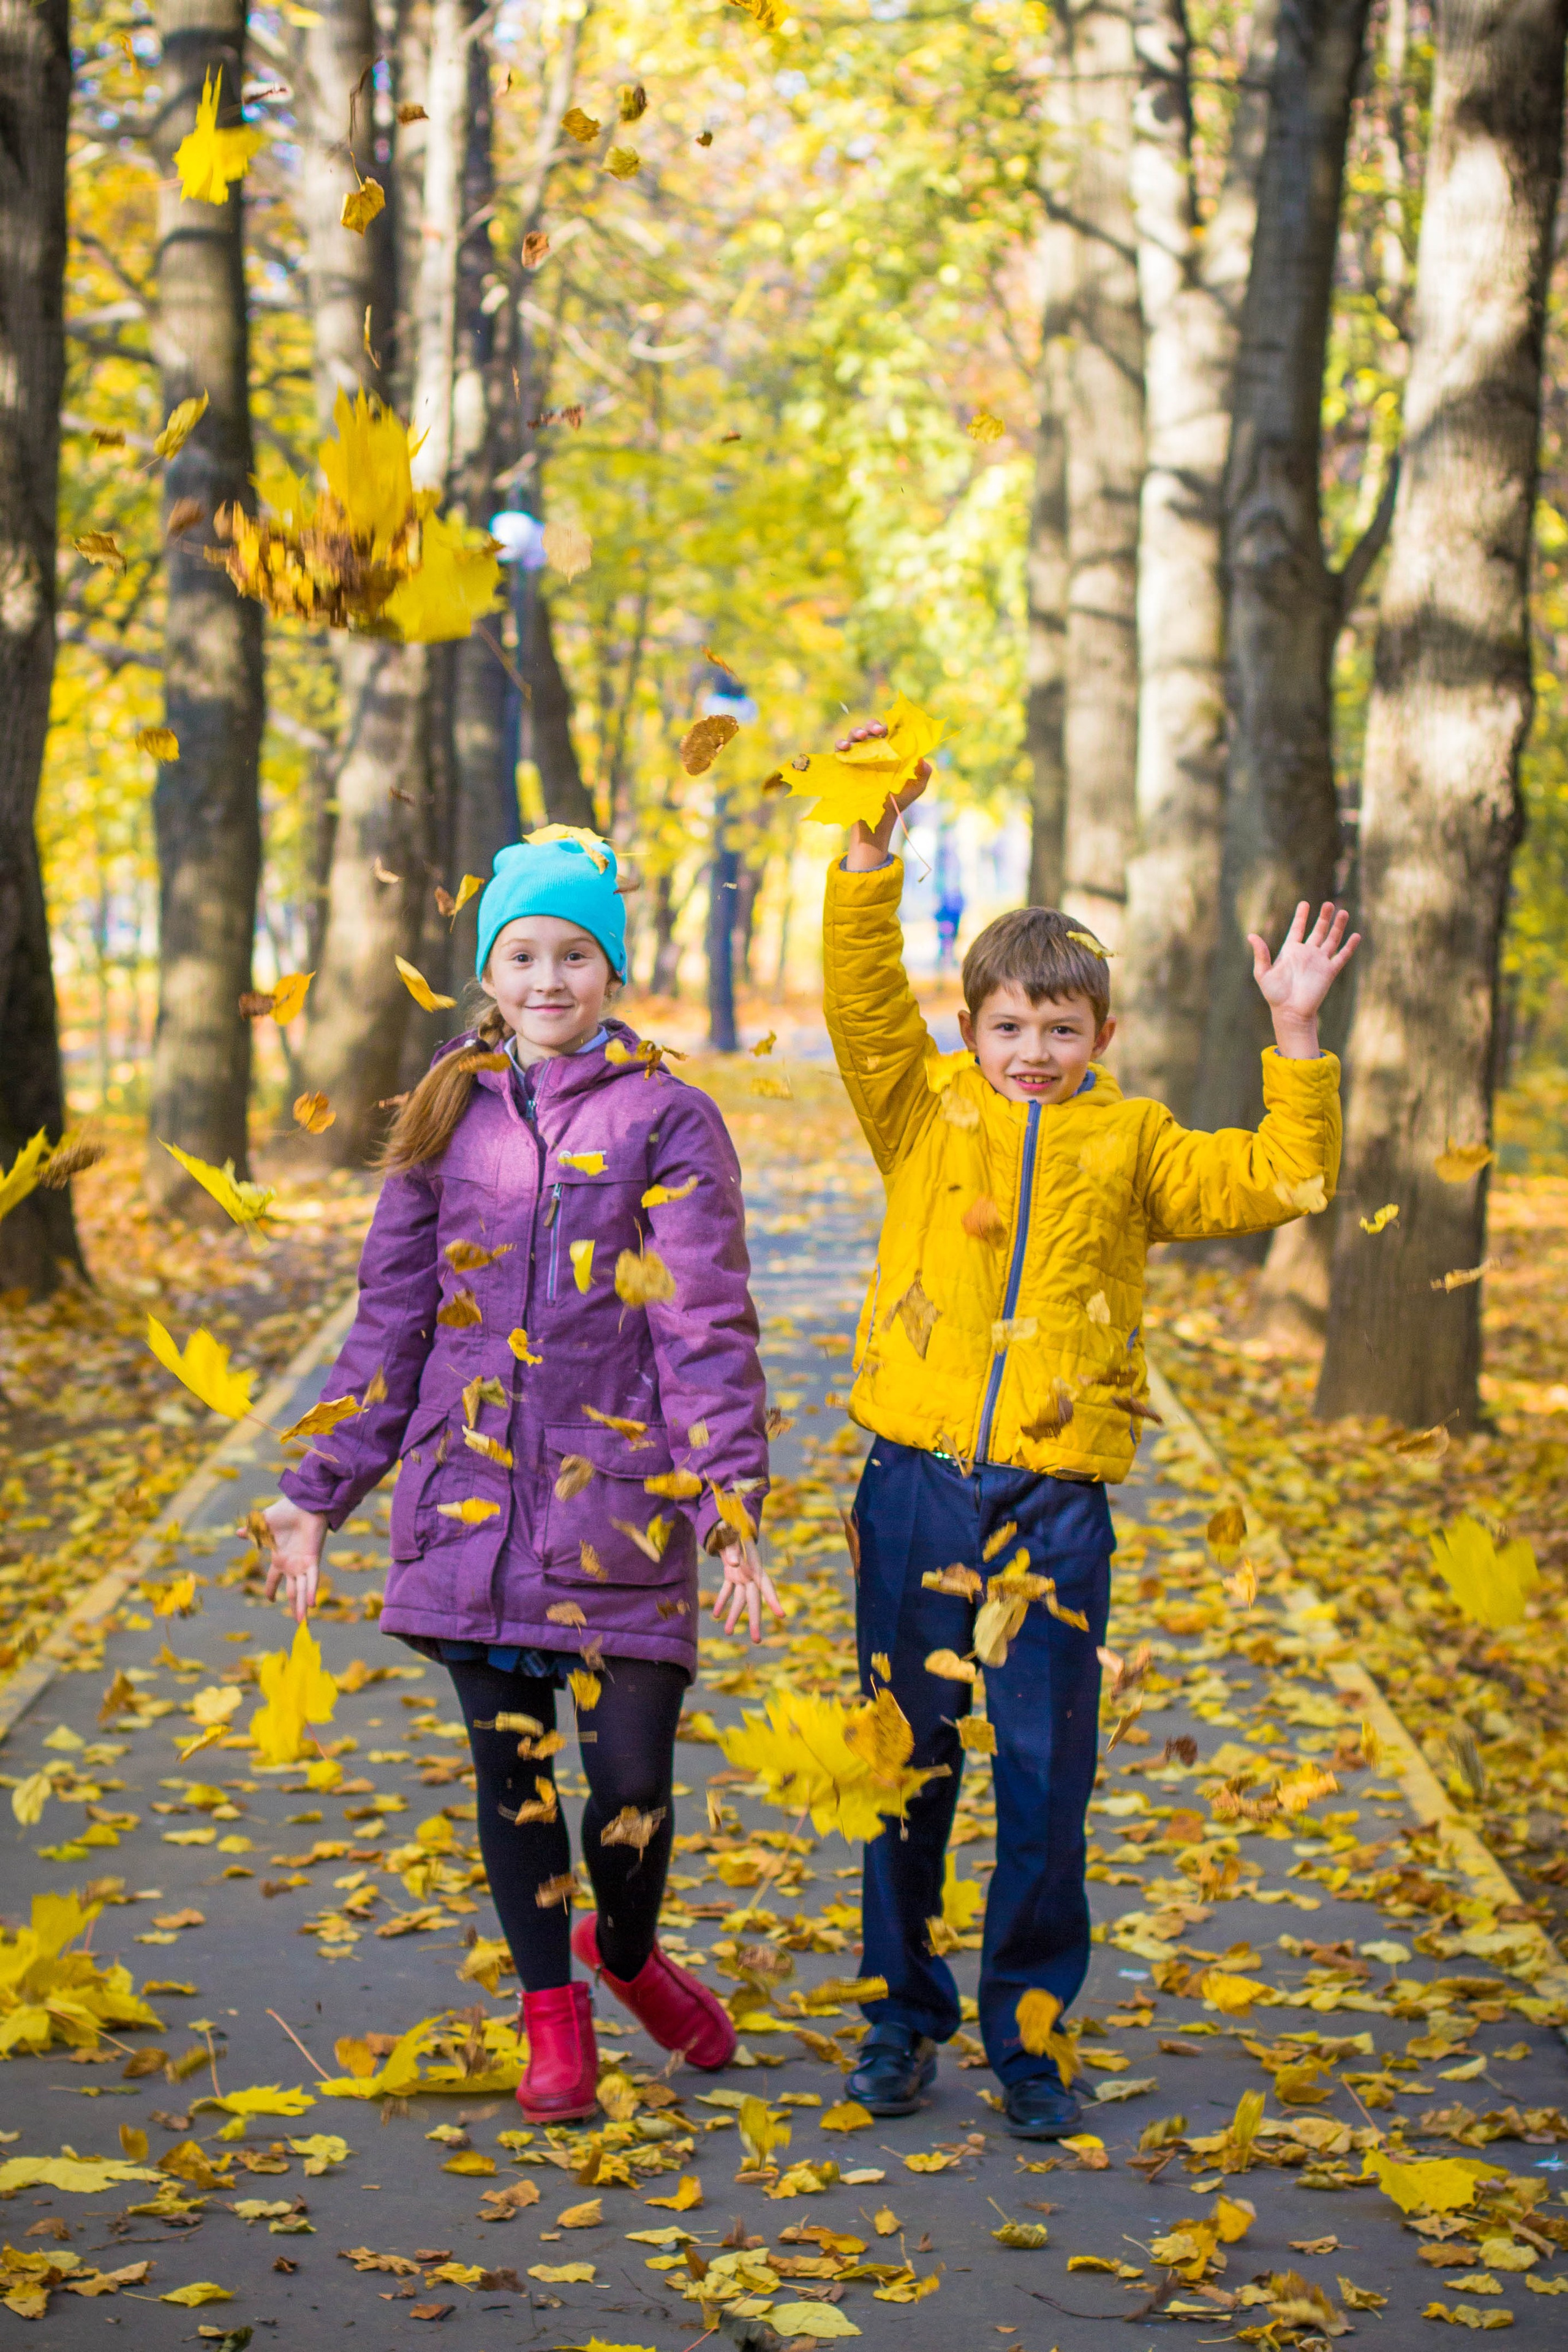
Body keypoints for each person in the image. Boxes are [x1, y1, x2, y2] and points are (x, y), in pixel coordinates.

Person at [821, 730, 1359, 2141]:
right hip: (917, 1487)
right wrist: (869, 862)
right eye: (1008, 1027)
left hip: (1052, 1510)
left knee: (1045, 1778)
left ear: (1101, 1039)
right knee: (905, 1761)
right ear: (970, 1030)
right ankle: (898, 2018)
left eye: (1062, 1031)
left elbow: (1283, 1175)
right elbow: (864, 1006)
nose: (1034, 1053)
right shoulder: (920, 1112)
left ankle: (1030, 2034)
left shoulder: (1133, 1147)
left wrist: (1293, 1035)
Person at [262, 829, 780, 2124]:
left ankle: (623, 1949)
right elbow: (390, 1319)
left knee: (632, 1786)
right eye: (522, 954)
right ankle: (553, 2017)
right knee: (513, 1775)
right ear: (486, 970)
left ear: (609, 967)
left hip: (621, 1504)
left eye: (574, 954)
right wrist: (315, 1492)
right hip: (470, 1502)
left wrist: (726, 1507)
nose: (548, 979)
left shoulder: (669, 1116)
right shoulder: (445, 1103)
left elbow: (703, 1322)